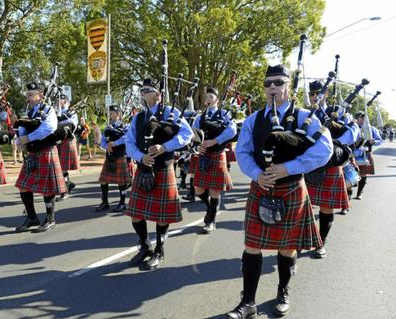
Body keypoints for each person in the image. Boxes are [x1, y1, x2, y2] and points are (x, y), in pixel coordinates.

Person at [229, 65, 332, 318]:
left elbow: (324, 149)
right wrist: (256, 174)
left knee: (287, 248)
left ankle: (283, 291)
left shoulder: (305, 117)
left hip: (291, 187)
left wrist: (289, 167)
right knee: (252, 245)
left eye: (277, 82)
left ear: (288, 86)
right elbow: (242, 151)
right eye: (268, 83)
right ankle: (248, 302)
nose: (272, 87)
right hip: (261, 187)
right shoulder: (254, 120)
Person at [125, 78, 193, 271]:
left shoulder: (172, 113)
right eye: (142, 91)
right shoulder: (138, 118)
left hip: (163, 168)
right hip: (144, 168)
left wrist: (165, 147)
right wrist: (140, 156)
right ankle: (145, 245)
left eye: (147, 90)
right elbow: (129, 142)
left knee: (161, 216)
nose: (143, 94)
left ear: (158, 94)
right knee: (136, 214)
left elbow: (186, 135)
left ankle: (159, 250)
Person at [304, 80, 359, 258]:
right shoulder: (303, 113)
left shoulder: (338, 111)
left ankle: (321, 242)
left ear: (325, 94)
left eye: (318, 93)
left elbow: (354, 132)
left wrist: (334, 142)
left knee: (327, 208)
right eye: (312, 94)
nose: (314, 97)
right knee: (304, 207)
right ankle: (304, 239)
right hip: (308, 164)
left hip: (330, 165)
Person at [14, 82, 67, 232]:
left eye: (31, 94)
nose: (29, 97)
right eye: (28, 95)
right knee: (23, 186)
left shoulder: (48, 110)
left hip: (46, 151)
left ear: (41, 95)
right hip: (32, 153)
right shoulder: (29, 112)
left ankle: (50, 219)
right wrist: (20, 139)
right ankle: (32, 218)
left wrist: (29, 138)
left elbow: (49, 128)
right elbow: (21, 128)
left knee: (47, 189)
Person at [192, 87, 237, 233]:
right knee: (198, 188)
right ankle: (210, 208)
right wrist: (198, 147)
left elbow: (232, 130)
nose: (207, 98)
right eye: (206, 96)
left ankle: (210, 221)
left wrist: (215, 141)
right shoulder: (200, 116)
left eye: (211, 96)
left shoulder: (224, 114)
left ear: (217, 99)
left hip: (217, 153)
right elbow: (193, 133)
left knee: (214, 192)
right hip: (204, 155)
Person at [96, 105, 131, 212]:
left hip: (120, 156)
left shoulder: (125, 127)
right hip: (109, 157)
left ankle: (122, 202)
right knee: (103, 180)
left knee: (121, 182)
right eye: (110, 113)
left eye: (112, 112)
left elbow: (127, 138)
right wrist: (107, 146)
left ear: (118, 114)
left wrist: (114, 143)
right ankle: (105, 202)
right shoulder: (107, 128)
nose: (110, 115)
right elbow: (102, 141)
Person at [353, 111, 383, 200]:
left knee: (363, 174)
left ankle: (359, 192)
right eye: (360, 117)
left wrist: (374, 141)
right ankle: (347, 196)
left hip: (365, 154)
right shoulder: (352, 128)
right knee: (350, 174)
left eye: (363, 117)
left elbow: (379, 140)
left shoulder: (372, 129)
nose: (361, 119)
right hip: (352, 154)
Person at [56, 94, 80, 201]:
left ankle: (65, 191)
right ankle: (68, 184)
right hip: (57, 141)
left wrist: (60, 121)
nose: (57, 102)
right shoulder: (56, 112)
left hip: (67, 140)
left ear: (65, 101)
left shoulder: (72, 113)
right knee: (60, 168)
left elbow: (71, 125)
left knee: (62, 168)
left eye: (59, 100)